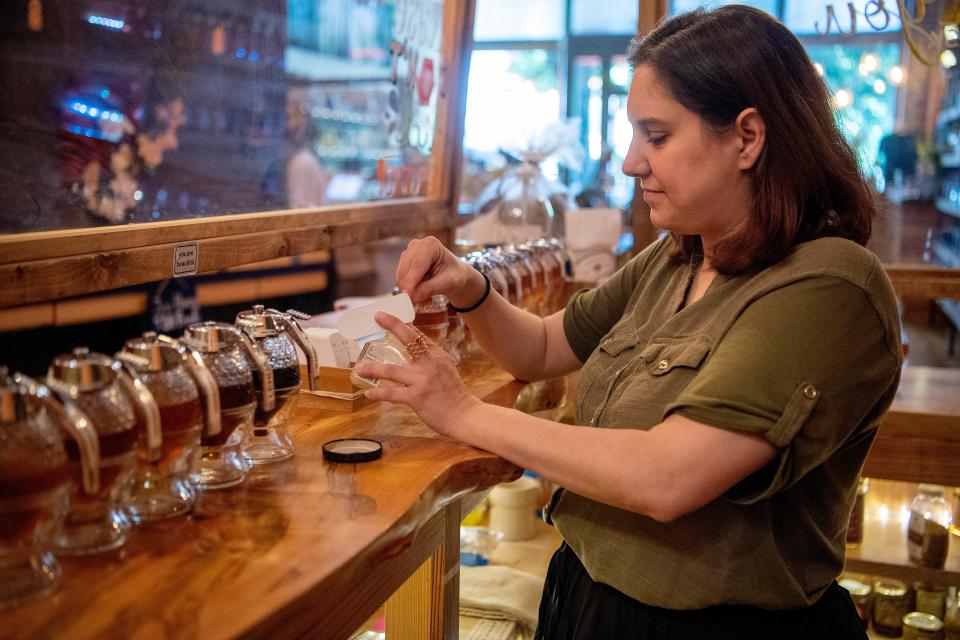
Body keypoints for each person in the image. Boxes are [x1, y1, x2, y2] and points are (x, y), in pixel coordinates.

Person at [354, 6, 902, 639]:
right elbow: (541, 347)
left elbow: (667, 475)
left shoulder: (829, 286)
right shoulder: (681, 256)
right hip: (587, 596)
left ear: (747, 137)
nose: (629, 163)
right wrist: (473, 290)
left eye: (656, 135)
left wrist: (464, 413)